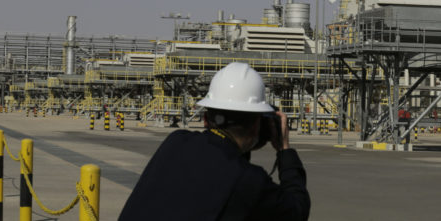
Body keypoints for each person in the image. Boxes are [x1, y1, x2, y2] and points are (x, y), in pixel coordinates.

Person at [119, 62, 310, 221]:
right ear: (256, 126)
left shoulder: (175, 142)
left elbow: (219, 161)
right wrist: (285, 150)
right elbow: (297, 211)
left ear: (205, 119)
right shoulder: (248, 180)